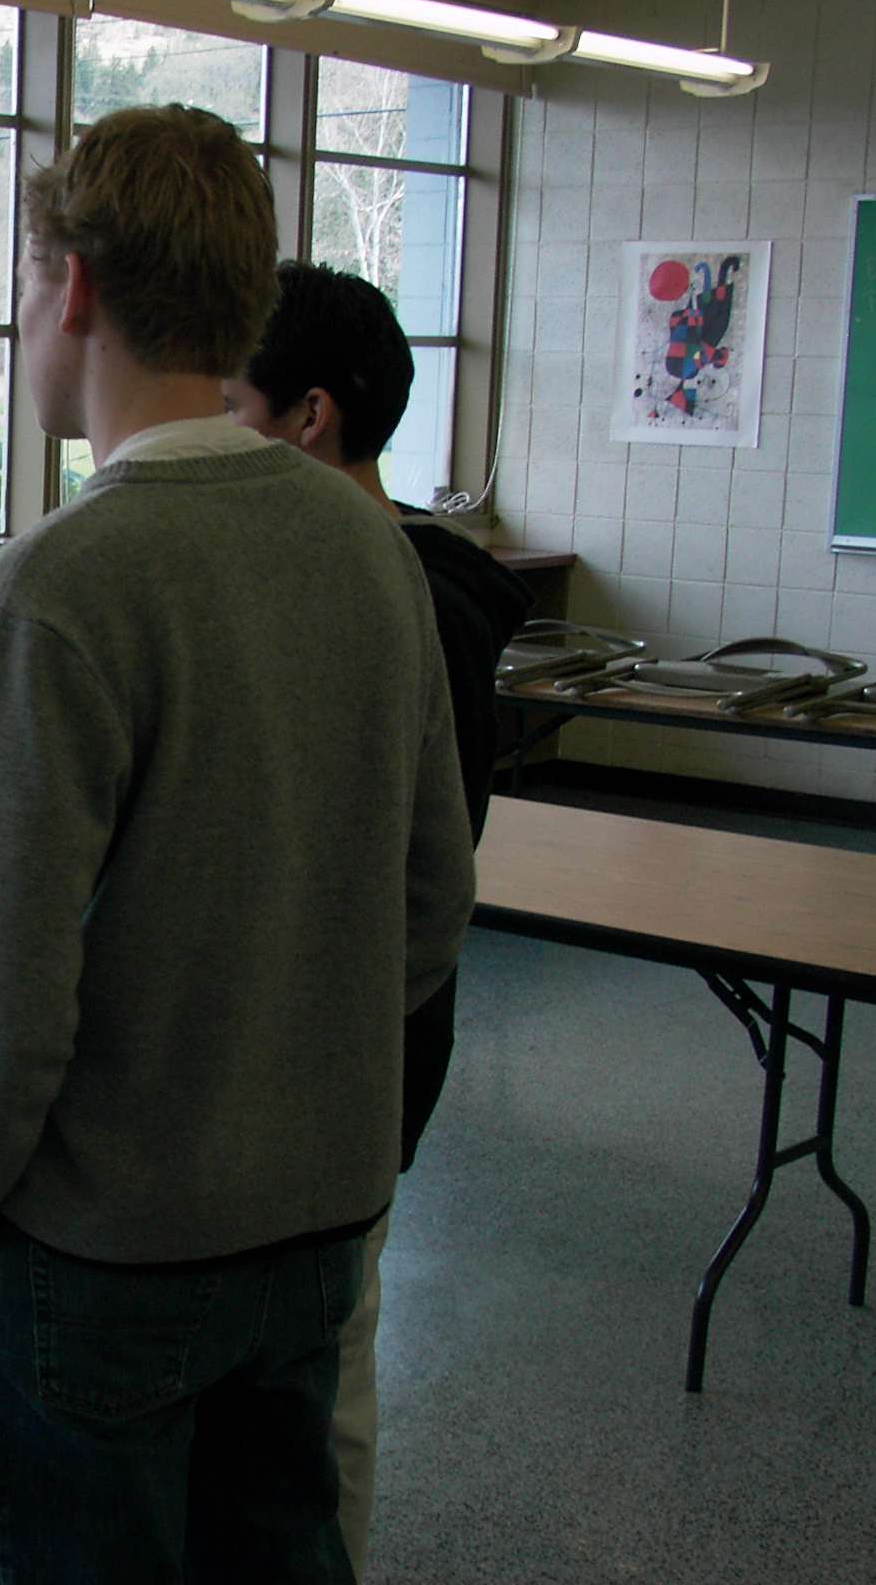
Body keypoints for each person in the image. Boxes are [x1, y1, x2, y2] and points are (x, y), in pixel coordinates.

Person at [0, 105, 476, 1584]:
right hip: (316, 1227)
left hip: (105, 1255)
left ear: (77, 287)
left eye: (24, 281)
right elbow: (433, 898)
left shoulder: (55, 583)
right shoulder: (371, 549)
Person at [224, 260, 533, 1578]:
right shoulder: (316, 571)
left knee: (323, 1374)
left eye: (227, 405)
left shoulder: (412, 602)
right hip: (285, 1053)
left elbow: (412, 884)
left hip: (350, 1057)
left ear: (312, 416)